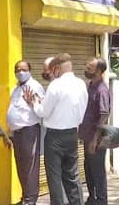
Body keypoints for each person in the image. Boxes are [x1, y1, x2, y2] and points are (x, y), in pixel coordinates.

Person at [28, 53, 88, 205]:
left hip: (55, 137)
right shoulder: (81, 83)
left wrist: (35, 103)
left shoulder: (56, 85)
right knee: (72, 176)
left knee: (54, 177)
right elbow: (81, 111)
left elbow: (44, 112)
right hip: (73, 134)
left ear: (56, 68)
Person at [6, 60, 43, 205]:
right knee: (21, 166)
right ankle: (25, 198)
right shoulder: (16, 88)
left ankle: (30, 200)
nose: (20, 72)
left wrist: (31, 102)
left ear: (29, 70)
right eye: (17, 69)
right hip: (17, 133)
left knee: (30, 168)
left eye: (23, 69)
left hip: (29, 132)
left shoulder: (34, 87)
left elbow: (41, 110)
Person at [79, 58, 111, 205]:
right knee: (89, 169)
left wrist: (95, 139)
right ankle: (92, 197)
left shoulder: (102, 90)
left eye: (90, 67)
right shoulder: (90, 86)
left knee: (98, 171)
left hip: (96, 139)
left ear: (99, 71)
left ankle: (101, 200)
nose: (86, 69)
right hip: (87, 136)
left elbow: (104, 114)